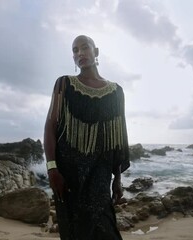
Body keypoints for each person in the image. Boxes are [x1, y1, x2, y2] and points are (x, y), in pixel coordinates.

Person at [44, 35, 130, 240]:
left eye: (85, 48)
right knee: (75, 230)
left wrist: (117, 178)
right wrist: (52, 168)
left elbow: (118, 137)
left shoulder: (116, 92)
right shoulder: (64, 84)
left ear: (96, 51)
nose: (80, 53)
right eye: (75, 50)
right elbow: (50, 125)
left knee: (105, 228)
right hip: (69, 173)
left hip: (101, 171)